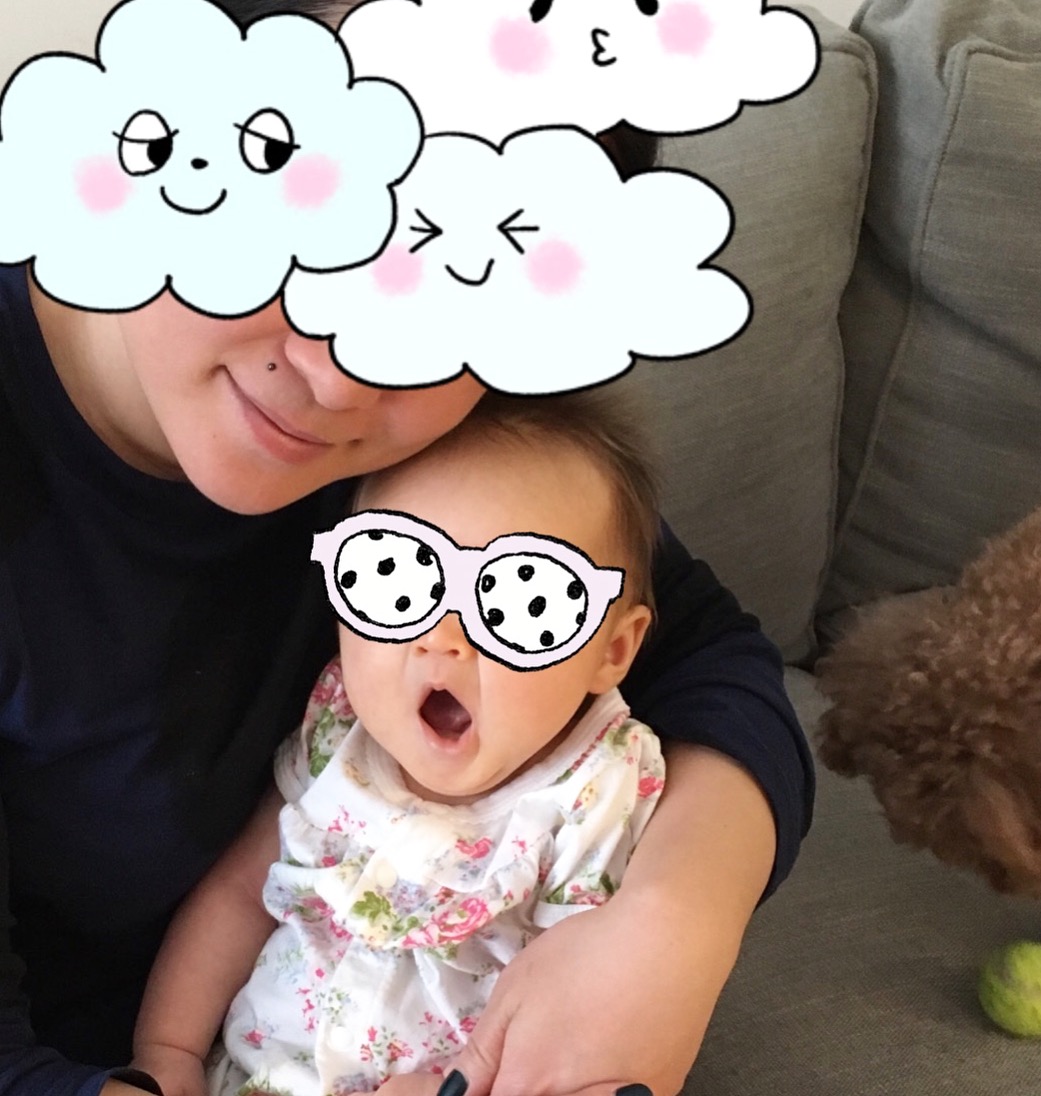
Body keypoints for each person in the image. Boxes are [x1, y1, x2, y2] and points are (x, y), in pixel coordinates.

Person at [0, 2, 814, 1095]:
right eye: (300, 233)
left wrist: (676, 922)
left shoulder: (463, 427)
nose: (339, 377)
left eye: (444, 292)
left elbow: (702, 648)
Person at [131, 391, 669, 1096]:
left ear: (612, 650)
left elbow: (587, 1008)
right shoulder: (340, 733)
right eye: (398, 581)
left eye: (521, 600)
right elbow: (240, 894)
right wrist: (168, 1049)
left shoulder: (593, 789)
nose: (442, 639)